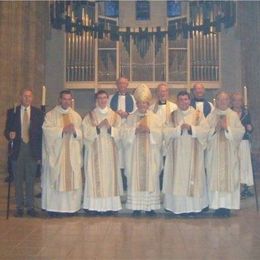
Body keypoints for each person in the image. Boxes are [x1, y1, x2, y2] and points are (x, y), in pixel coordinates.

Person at [163, 90, 209, 217]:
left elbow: (205, 131)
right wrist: (179, 129)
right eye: (181, 100)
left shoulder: (198, 115)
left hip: (193, 155)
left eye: (186, 99)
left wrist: (191, 129)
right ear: (177, 102)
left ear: (190, 100)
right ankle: (177, 208)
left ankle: (194, 208)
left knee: (193, 178)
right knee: (177, 179)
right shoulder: (172, 115)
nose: (184, 102)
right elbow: (165, 132)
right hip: (176, 156)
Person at [121, 84, 163, 217]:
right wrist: (135, 130)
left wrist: (150, 131)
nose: (142, 106)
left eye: (145, 103)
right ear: (137, 103)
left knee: (151, 179)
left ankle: (151, 207)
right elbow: (123, 134)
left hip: (151, 156)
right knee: (135, 179)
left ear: (148, 104)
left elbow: (162, 134)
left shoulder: (155, 118)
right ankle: (136, 207)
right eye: (140, 103)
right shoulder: (131, 118)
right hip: (134, 157)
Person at [42, 90, 83, 217]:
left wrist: (75, 131)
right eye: (64, 99)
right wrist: (62, 130)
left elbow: (81, 134)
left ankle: (71, 209)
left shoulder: (76, 116)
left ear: (71, 100)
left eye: (69, 99)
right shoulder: (51, 115)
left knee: (71, 179)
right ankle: (54, 209)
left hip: (71, 155)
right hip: (57, 155)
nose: (67, 101)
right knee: (56, 180)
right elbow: (46, 130)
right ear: (59, 100)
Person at [82, 90, 123, 216]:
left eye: (104, 98)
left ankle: (111, 207)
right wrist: (98, 128)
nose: (102, 100)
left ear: (107, 99)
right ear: (96, 100)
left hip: (110, 154)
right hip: (95, 153)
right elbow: (85, 134)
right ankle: (94, 207)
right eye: (99, 98)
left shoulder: (115, 116)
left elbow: (121, 134)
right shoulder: (90, 116)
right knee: (94, 178)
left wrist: (111, 129)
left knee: (110, 179)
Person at [4, 88, 44, 217]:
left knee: (31, 179)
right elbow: (6, 131)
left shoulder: (38, 113)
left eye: (29, 96)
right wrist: (9, 134)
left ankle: (31, 207)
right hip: (18, 149)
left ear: (32, 98)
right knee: (18, 179)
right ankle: (20, 207)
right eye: (25, 96)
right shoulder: (13, 112)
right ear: (20, 97)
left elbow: (41, 134)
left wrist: (39, 154)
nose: (27, 98)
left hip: (31, 149)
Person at [206, 91, 245, 217]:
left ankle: (227, 206)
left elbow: (240, 132)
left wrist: (227, 128)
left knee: (230, 178)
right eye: (220, 99)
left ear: (229, 101)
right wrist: (215, 128)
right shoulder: (211, 116)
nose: (223, 102)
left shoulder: (233, 115)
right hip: (215, 155)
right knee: (215, 178)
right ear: (216, 101)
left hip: (229, 154)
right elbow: (204, 134)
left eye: (225, 99)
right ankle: (216, 206)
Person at [109, 77, 136, 191]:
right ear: (117, 85)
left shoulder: (134, 99)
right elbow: (108, 112)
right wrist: (116, 113)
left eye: (124, 84)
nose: (122, 86)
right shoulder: (110, 98)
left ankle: (127, 184)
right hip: (115, 130)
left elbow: (136, 112)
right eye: (120, 83)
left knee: (128, 158)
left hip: (128, 131)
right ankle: (118, 185)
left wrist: (127, 114)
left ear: (127, 85)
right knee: (117, 158)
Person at [150, 83, 177, 190]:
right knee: (157, 165)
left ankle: (168, 188)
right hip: (156, 142)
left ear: (168, 93)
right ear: (157, 93)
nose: (162, 93)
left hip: (170, 142)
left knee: (169, 166)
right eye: (160, 91)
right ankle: (159, 187)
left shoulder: (174, 107)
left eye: (164, 91)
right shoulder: (151, 108)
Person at [231, 92, 254, 199]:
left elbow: (249, 126)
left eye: (239, 100)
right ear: (232, 101)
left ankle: (244, 186)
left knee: (244, 164)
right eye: (235, 100)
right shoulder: (229, 112)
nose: (237, 102)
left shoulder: (245, 112)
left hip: (243, 141)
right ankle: (235, 186)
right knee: (235, 163)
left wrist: (250, 128)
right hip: (233, 142)